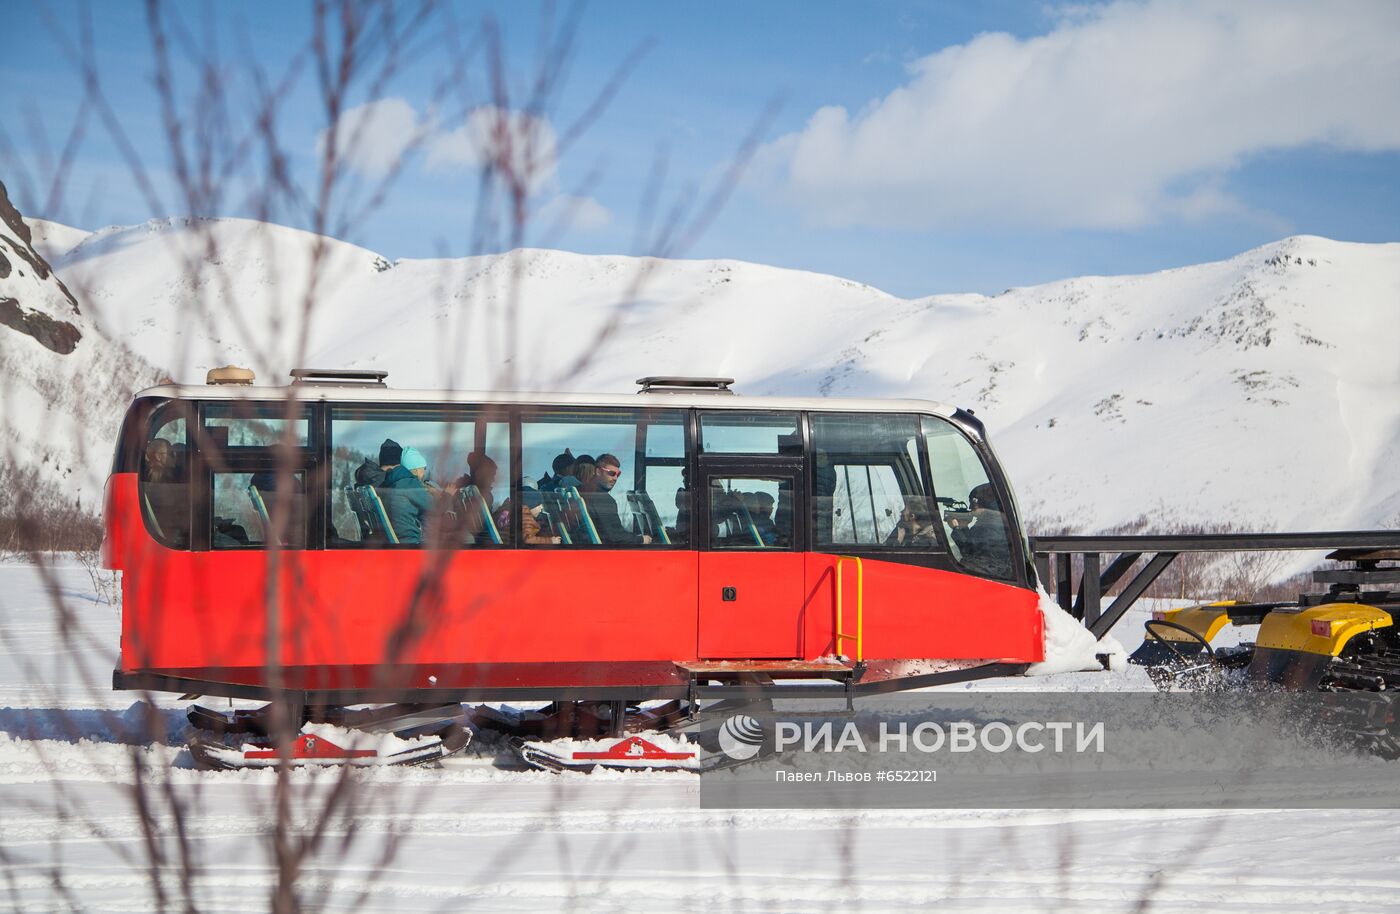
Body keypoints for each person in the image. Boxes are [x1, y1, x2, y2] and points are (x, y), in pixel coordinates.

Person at [948, 483, 1012, 579]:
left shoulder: (991, 526)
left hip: (987, 576)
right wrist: (963, 527)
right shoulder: (992, 521)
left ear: (983, 502)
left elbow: (970, 552)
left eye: (972, 503)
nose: (970, 507)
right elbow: (973, 544)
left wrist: (956, 528)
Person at [583, 453, 651, 545]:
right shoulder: (603, 499)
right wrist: (642, 540)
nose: (615, 478)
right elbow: (615, 536)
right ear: (598, 472)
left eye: (618, 474)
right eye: (611, 473)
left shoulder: (583, 492)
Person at [380, 445, 433, 544]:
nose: (425, 472)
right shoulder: (410, 484)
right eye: (424, 468)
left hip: (400, 539)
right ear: (416, 470)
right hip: (411, 543)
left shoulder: (394, 482)